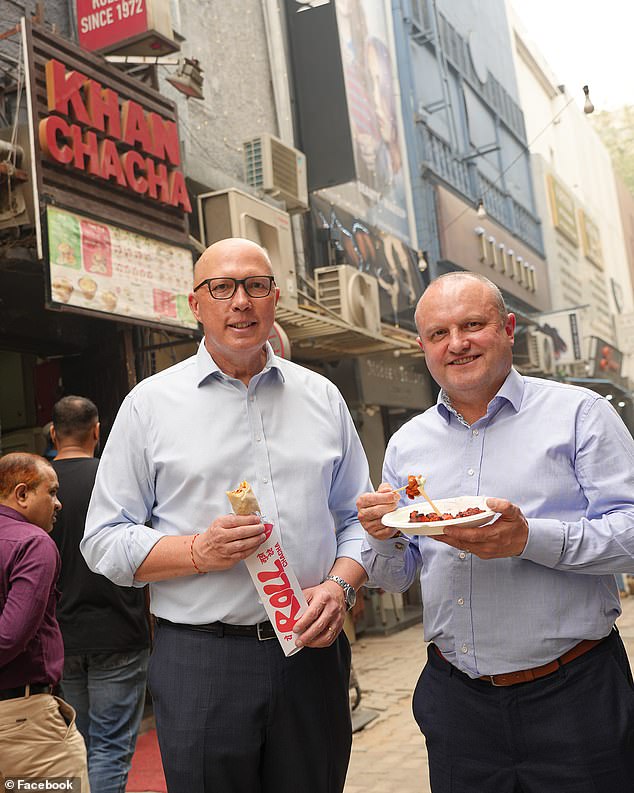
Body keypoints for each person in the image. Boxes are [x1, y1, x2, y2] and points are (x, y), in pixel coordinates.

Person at [82, 237, 371, 793]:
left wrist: (340, 584)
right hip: (201, 661)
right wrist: (198, 551)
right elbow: (102, 540)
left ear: (275, 298)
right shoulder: (149, 405)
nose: (241, 301)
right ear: (197, 305)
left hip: (311, 653)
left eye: (255, 286)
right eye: (222, 287)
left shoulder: (323, 398)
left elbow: (358, 519)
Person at [357, 271, 634, 793]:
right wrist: (380, 535)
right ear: (422, 347)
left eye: (473, 325)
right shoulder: (407, 444)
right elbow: (398, 577)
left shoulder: (580, 415)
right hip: (457, 703)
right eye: (439, 334)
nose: (456, 343)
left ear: (508, 328)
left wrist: (529, 539)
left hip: (574, 696)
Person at [50, 395, 150, 793]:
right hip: (118, 630)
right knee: (110, 747)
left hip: (62, 635)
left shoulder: (37, 488)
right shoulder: (113, 479)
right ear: (97, 431)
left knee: (81, 742)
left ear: (54, 433)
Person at [0, 452, 89, 789]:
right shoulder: (33, 543)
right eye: (51, 492)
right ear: (22, 494)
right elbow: (9, 637)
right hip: (26, 728)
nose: (59, 503)